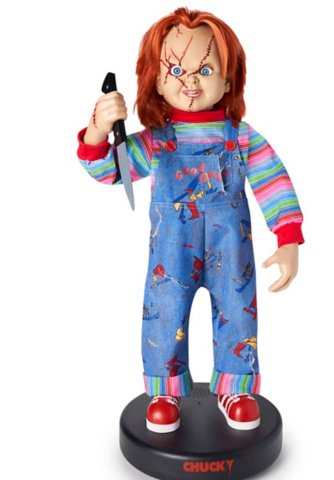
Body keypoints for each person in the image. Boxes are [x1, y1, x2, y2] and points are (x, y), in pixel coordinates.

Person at [77, 7, 305, 433]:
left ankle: (235, 387)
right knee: (163, 315)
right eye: (176, 69)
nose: (191, 82)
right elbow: (108, 171)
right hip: (171, 258)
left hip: (231, 251)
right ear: (156, 81)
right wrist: (97, 128)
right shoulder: (155, 142)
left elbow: (273, 181)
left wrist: (288, 236)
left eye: (205, 69)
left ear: (229, 79)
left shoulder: (242, 137)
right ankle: (164, 390)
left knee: (238, 315)